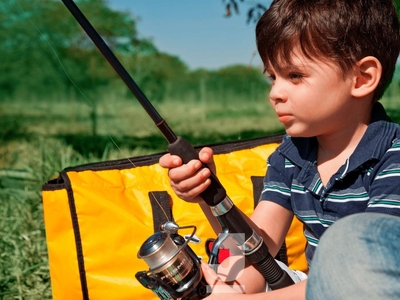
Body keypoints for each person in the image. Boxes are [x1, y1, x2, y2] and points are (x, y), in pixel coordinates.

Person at [159, 0, 400, 298]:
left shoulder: (394, 160)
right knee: (233, 265)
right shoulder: (292, 155)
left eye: (295, 76)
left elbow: (361, 278)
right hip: (305, 288)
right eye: (273, 77)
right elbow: (257, 244)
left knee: (347, 241)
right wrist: (209, 196)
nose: (275, 93)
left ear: (362, 78)